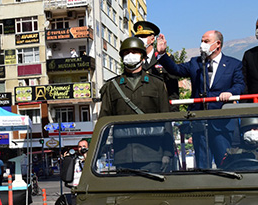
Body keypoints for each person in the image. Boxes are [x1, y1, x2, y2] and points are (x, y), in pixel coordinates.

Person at [156, 30, 245, 167]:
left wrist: (230, 93)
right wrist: (162, 54)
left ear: (218, 44)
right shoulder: (195, 63)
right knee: (203, 165)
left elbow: (240, 85)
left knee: (226, 164)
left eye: (206, 41)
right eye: (201, 41)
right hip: (200, 123)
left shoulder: (234, 64)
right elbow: (176, 70)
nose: (202, 44)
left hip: (222, 123)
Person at [99, 37, 170, 118]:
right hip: (122, 130)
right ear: (122, 58)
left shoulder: (157, 84)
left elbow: (165, 116)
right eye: (126, 52)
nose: (130, 55)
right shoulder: (111, 86)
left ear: (143, 57)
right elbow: (104, 119)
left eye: (135, 52)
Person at [133, 20, 180, 111]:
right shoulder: (134, 60)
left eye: (143, 36)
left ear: (152, 39)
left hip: (161, 109)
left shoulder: (166, 59)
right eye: (138, 37)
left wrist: (173, 113)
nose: (140, 39)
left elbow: (173, 90)